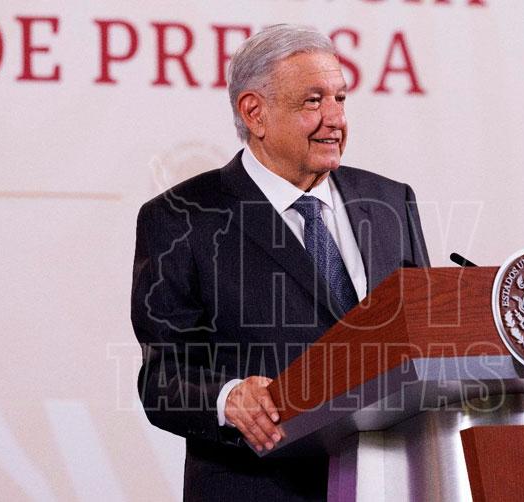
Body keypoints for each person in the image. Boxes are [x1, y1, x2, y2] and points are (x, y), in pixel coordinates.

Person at [131, 24, 430, 501]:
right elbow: (162, 379)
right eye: (313, 102)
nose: (335, 119)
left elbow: (425, 342)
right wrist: (229, 398)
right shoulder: (182, 217)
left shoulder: (391, 200)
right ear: (255, 112)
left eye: (340, 98)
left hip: (392, 484)